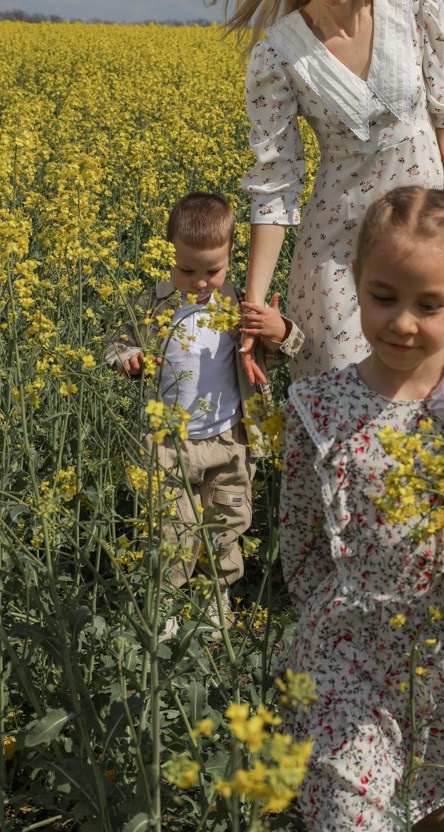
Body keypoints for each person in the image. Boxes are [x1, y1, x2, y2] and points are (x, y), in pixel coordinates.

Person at [278, 187, 444, 830]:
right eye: (383, 297)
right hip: (345, 662)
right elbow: (299, 535)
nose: (403, 323)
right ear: (355, 280)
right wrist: (324, 624)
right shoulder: (317, 407)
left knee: (433, 806)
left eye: (429, 305)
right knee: (350, 816)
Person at [210, 0, 444, 382]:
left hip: (432, 240)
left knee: (433, 394)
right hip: (336, 254)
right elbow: (275, 184)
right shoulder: (277, 54)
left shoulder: (416, 8)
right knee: (342, 397)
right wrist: (254, 307)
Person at [105, 191, 303, 635]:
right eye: (186, 270)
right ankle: (167, 602)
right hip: (166, 443)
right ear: (168, 256)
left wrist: (279, 329)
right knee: (170, 528)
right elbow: (117, 346)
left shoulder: (238, 305)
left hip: (229, 439)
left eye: (212, 271)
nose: (198, 283)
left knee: (226, 523)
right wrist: (129, 359)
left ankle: (216, 593)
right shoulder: (154, 305)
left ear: (231, 257)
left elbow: (280, 354)